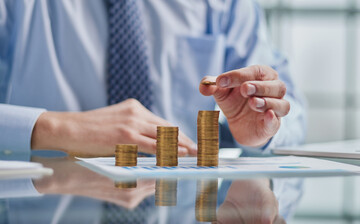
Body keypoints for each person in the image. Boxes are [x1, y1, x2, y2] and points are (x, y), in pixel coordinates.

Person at [0, 0, 305, 157]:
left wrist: (262, 122)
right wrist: (52, 128)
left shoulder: (225, 4)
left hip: (184, 215)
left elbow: (294, 111)